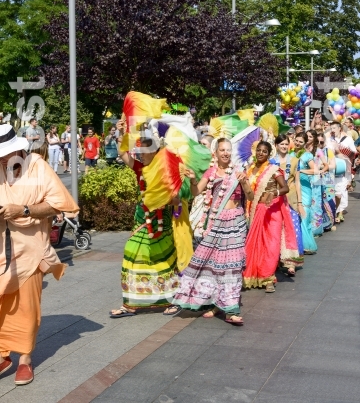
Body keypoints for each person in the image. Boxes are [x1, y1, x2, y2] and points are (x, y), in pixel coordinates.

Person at [0, 125, 78, 386]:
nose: (3, 161)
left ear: (20, 149)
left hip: (31, 249)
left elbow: (58, 204)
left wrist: (22, 210)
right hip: (1, 251)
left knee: (27, 307)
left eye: (7, 155)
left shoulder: (37, 166)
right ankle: (2, 353)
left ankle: (24, 359)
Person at [169, 138, 253, 325]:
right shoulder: (211, 172)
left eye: (228, 150)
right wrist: (192, 179)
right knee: (213, 264)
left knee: (232, 266)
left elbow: (251, 196)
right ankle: (215, 304)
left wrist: (245, 182)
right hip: (216, 223)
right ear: (215, 152)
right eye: (222, 150)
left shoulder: (239, 172)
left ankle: (231, 310)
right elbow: (196, 192)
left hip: (235, 222)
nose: (226, 153)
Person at [110, 123, 179, 317]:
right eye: (139, 150)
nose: (140, 154)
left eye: (144, 151)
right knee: (132, 253)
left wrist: (172, 197)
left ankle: (171, 300)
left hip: (161, 220)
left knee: (163, 258)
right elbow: (124, 153)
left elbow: (177, 199)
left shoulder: (166, 170)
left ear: (156, 152)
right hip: (142, 219)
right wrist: (123, 132)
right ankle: (130, 303)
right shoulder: (140, 167)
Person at [243, 142, 300, 293]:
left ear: (269, 154)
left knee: (271, 245)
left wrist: (273, 194)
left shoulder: (274, 170)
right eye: (259, 151)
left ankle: (269, 277)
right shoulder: (249, 170)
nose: (261, 153)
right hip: (255, 210)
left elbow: (285, 188)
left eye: (264, 151)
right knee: (256, 244)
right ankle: (255, 274)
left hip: (272, 211)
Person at [271, 135, 304, 260]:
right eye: (281, 144)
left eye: (286, 144)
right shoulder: (271, 162)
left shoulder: (295, 161)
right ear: (276, 145)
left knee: (294, 228)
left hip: (291, 198)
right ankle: (279, 257)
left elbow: (297, 182)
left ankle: (292, 261)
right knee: (278, 229)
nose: (284, 146)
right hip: (277, 199)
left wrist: (300, 202)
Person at [326, 121, 356, 222]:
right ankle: (333, 211)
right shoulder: (328, 140)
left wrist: (342, 153)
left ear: (340, 129)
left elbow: (353, 153)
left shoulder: (348, 139)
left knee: (342, 190)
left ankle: (340, 213)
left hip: (343, 169)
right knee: (332, 190)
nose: (332, 130)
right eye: (331, 128)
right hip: (331, 168)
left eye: (334, 128)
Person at [317, 133, 336, 230]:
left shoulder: (328, 151)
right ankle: (322, 223)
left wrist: (323, 166)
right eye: (318, 142)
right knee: (319, 202)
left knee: (330, 201)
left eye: (322, 142)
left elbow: (333, 165)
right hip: (317, 180)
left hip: (328, 180)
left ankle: (331, 222)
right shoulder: (314, 151)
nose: (320, 143)